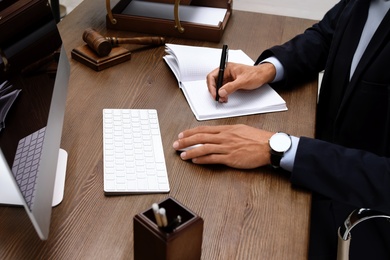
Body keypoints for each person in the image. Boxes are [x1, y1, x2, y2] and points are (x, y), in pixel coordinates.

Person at [172, 0, 390, 258]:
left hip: (363, 219)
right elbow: (326, 36)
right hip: (323, 177)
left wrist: (278, 148)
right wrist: (268, 69)